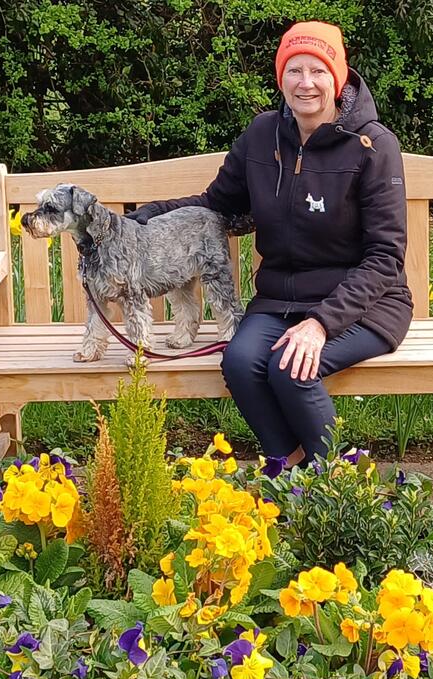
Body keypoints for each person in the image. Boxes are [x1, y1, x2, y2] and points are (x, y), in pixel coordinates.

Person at [127, 21, 413, 467]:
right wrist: (143, 217)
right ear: (281, 78)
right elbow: (216, 205)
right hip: (280, 297)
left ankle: (336, 487)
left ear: (337, 79)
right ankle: (293, 468)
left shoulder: (373, 146)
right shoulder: (262, 135)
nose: (305, 83)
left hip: (366, 305)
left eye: (317, 71)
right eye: (294, 70)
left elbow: (385, 257)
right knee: (240, 364)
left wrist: (319, 325)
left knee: (291, 369)